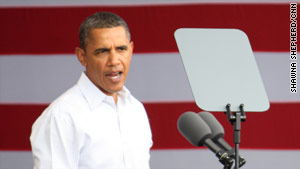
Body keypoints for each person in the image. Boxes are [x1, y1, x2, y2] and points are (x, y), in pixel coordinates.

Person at [30, 12, 153, 169]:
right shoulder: (61, 116)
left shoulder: (136, 110)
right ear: (82, 56)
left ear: (131, 50)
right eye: (102, 51)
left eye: (121, 49)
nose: (114, 61)